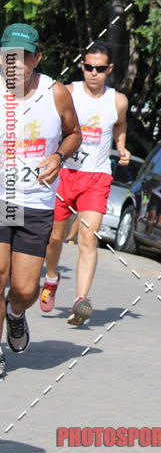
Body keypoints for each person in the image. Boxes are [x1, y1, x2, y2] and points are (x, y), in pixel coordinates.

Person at [0, 23, 81, 378]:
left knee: (24, 288)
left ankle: (16, 313)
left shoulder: (55, 93)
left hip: (36, 201)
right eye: (8, 56)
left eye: (23, 57)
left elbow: (74, 133)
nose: (14, 64)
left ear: (37, 59)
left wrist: (58, 157)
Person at [41, 42, 130, 326]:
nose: (93, 73)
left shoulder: (118, 101)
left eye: (99, 69)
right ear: (82, 66)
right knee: (54, 238)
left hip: (97, 176)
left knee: (88, 237)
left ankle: (81, 300)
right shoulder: (68, 92)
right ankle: (52, 277)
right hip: (65, 173)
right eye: (89, 67)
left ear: (109, 69)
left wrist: (122, 146)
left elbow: (120, 124)